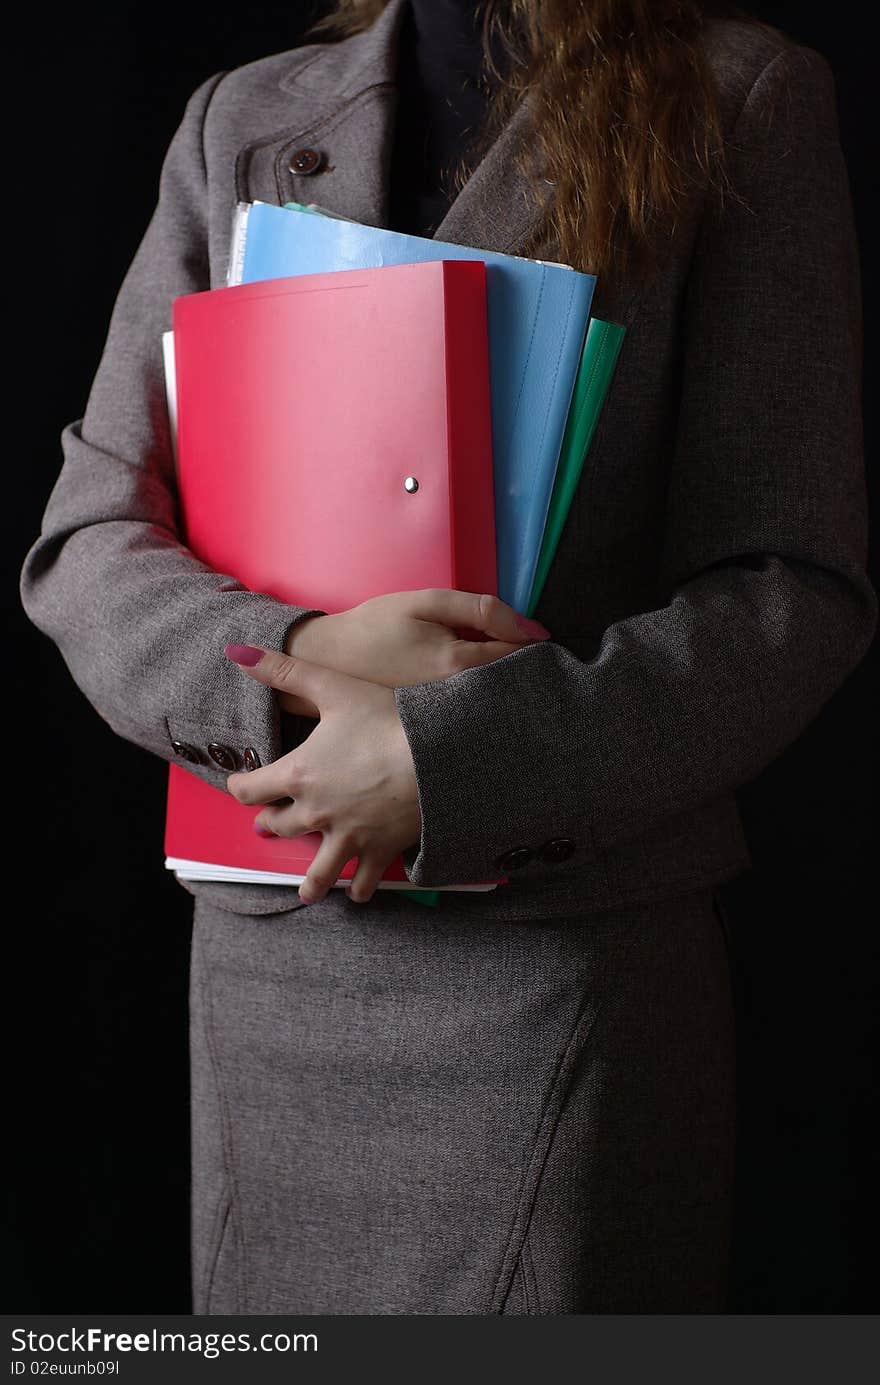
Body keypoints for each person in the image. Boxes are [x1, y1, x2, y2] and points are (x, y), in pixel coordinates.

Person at [19, 0, 875, 1314]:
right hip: (274, 961)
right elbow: (87, 542)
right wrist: (290, 658)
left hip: (559, 969)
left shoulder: (742, 99)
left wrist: (451, 755)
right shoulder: (237, 120)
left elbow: (790, 591)